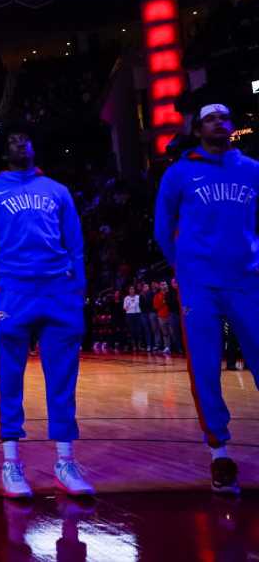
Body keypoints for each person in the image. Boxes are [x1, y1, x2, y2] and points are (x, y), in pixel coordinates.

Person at [0, 121, 94, 498]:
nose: (19, 143)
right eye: (11, 139)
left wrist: (77, 288)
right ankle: (11, 463)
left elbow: (75, 243)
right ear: (2, 149)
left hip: (59, 290)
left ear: (34, 145)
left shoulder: (57, 190)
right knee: (9, 380)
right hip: (14, 292)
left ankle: (65, 460)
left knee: (63, 379)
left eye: (24, 137)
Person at [154, 102, 259, 494]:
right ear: (198, 128)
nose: (219, 123)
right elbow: (163, 229)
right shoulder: (179, 174)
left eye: (225, 117)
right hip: (200, 283)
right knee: (205, 367)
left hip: (247, 280)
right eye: (211, 118)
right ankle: (220, 453)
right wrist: (186, 267)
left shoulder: (252, 170)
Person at [123, 285, 144, 352]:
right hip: (129, 315)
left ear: (134, 290)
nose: (132, 290)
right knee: (132, 331)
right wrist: (130, 305)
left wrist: (133, 305)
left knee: (139, 330)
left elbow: (141, 305)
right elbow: (125, 308)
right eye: (130, 289)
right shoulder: (126, 298)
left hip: (137, 314)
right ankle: (134, 346)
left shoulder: (138, 297)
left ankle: (139, 345)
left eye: (133, 289)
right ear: (129, 290)